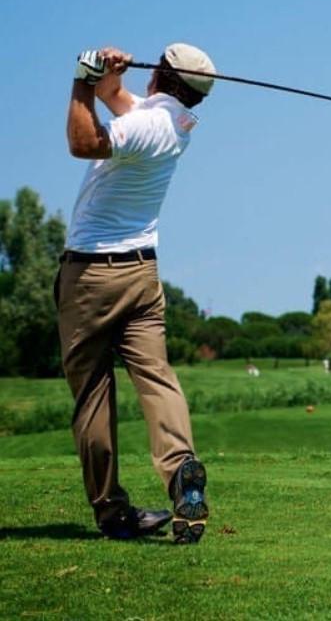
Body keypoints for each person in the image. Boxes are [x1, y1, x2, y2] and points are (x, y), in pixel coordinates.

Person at [55, 43, 214, 543]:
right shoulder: (175, 122)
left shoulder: (146, 125)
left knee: (93, 396)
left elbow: (83, 141)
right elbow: (118, 99)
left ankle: (112, 511)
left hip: (92, 278)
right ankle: (181, 470)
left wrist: (82, 81)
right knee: (157, 379)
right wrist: (105, 75)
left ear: (163, 76)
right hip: (142, 276)